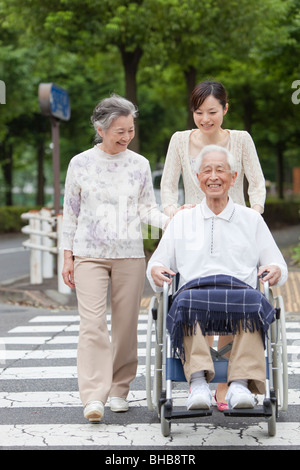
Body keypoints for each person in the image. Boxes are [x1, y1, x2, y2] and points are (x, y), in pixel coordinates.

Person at [147, 145, 287, 410]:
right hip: (194, 296)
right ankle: (197, 383)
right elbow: (157, 264)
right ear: (198, 178)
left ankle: (239, 385)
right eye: (207, 171)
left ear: (233, 178)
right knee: (183, 303)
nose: (214, 176)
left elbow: (276, 263)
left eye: (220, 170)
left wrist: (277, 270)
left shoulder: (251, 219)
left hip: (241, 296)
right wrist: (155, 271)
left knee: (256, 302)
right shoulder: (182, 220)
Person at [61, 94, 169, 423]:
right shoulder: (79, 163)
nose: (126, 137)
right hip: (89, 255)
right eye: (119, 131)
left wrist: (175, 218)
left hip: (129, 255)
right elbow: (70, 213)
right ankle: (94, 395)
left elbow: (146, 208)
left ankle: (120, 389)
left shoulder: (139, 165)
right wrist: (68, 257)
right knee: (92, 324)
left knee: (125, 325)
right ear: (101, 129)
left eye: (130, 130)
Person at [160, 80, 266, 409]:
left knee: (237, 298)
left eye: (212, 111)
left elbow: (256, 183)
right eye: (198, 112)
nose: (205, 119)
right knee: (199, 299)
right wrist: (174, 214)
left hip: (234, 229)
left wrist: (252, 217)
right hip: (194, 228)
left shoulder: (241, 140)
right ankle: (200, 380)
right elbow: (167, 187)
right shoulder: (179, 141)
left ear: (225, 109)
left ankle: (228, 383)